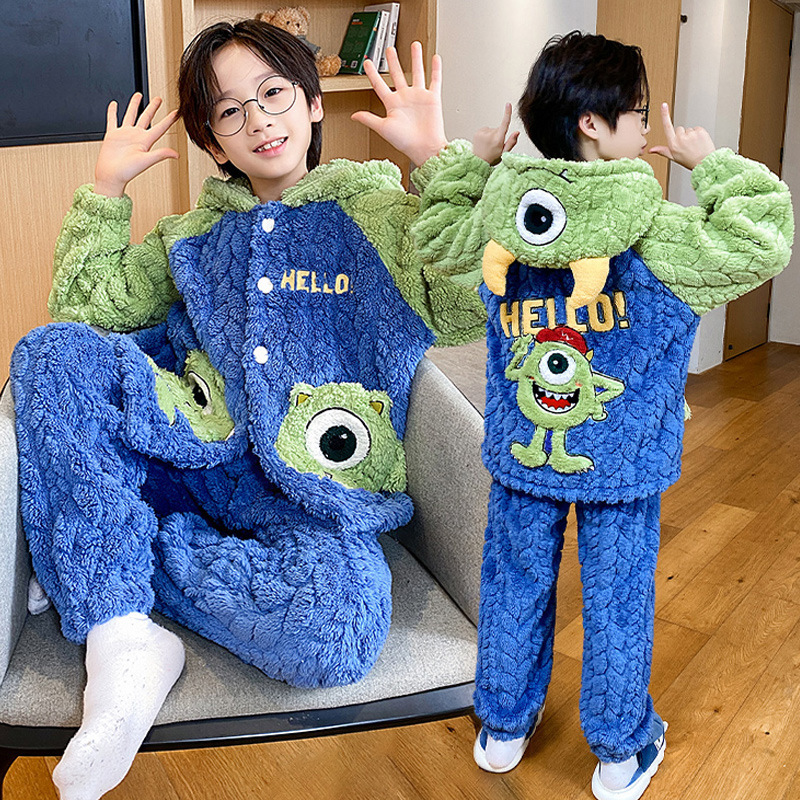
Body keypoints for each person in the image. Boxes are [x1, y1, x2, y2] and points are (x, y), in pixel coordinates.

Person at [10, 20, 484, 800]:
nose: (258, 119)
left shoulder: (379, 215)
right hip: (186, 458)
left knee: (337, 630)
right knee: (52, 350)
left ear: (312, 102)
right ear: (213, 141)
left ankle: (104, 558)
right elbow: (88, 307)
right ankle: (121, 637)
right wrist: (107, 189)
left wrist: (440, 161)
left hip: (312, 496)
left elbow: (468, 306)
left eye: (273, 94)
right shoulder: (193, 235)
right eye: (230, 111)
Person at [361, 30, 793, 800]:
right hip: (622, 464)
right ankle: (621, 751)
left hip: (525, 449)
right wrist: (707, 161)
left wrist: (472, 163)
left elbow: (437, 236)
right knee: (618, 597)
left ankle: (502, 726)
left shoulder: (502, 222)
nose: (648, 127)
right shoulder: (663, 234)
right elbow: (761, 236)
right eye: (639, 113)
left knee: (514, 581)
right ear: (594, 122)